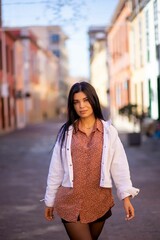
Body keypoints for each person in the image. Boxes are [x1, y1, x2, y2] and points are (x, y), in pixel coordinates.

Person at [44, 82, 139, 240]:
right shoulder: (66, 133)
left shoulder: (109, 132)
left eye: (86, 100)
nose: (81, 105)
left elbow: (119, 166)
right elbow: (56, 169)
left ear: (93, 100)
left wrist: (126, 198)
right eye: (76, 102)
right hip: (70, 201)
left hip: (99, 201)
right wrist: (49, 200)